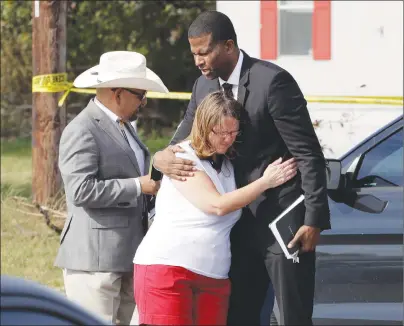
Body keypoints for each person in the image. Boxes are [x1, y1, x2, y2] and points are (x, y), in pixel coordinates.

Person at [152, 11, 331, 326]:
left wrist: (314, 218)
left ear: (229, 46)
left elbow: (308, 153)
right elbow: (181, 142)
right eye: (193, 53)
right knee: (238, 315)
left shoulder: (272, 81)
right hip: (234, 225)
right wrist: (158, 158)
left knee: (292, 316)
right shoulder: (202, 88)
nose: (198, 60)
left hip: (282, 221)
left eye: (204, 52)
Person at [134, 91, 297, 326]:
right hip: (169, 269)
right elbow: (216, 205)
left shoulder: (227, 164)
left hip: (213, 276)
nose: (227, 139)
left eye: (233, 132)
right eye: (220, 132)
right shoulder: (183, 157)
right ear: (203, 126)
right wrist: (266, 181)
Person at [55, 51, 168, 325]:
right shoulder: (81, 129)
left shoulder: (125, 126)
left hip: (128, 254)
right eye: (140, 94)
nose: (144, 102)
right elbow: (80, 190)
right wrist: (137, 186)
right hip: (95, 262)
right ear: (117, 93)